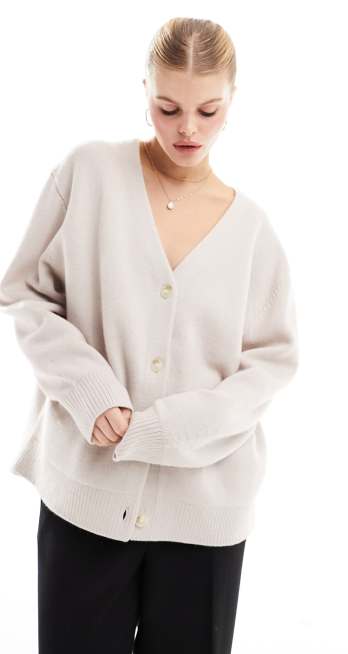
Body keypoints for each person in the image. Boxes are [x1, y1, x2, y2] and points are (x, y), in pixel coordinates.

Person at [0, 16, 299, 654]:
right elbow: (25, 292)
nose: (187, 128)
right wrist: (88, 388)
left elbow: (272, 362)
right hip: (86, 501)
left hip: (206, 518)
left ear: (231, 101)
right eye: (168, 108)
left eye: (207, 110)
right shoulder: (89, 174)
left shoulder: (252, 231)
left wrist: (175, 428)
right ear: (145, 92)